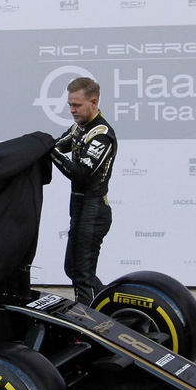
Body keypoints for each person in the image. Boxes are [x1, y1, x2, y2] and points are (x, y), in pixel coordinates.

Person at [50, 76, 117, 306]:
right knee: (73, 268)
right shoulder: (80, 127)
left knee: (82, 275)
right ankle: (111, 305)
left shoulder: (101, 134)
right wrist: (44, 146)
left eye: (76, 105)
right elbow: (58, 145)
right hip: (79, 208)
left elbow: (80, 173)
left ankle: (87, 327)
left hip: (93, 209)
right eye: (69, 104)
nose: (71, 110)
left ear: (94, 102)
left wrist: (49, 150)